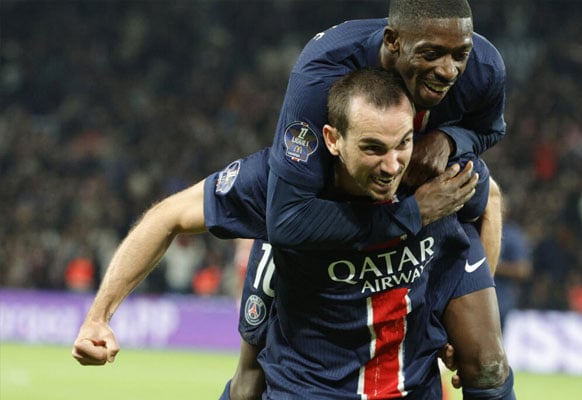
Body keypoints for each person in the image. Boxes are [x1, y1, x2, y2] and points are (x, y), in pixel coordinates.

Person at [70, 68, 481, 392]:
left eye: (403, 144)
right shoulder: (279, 185)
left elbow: (490, 203)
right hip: (303, 381)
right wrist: (97, 316)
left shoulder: (433, 172)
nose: (393, 165)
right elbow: (167, 216)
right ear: (333, 140)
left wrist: (461, 322)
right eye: (373, 148)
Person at [262, 0, 511, 397]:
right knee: (251, 379)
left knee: (489, 367)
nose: (449, 70)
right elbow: (286, 220)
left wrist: (449, 140)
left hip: (437, 224)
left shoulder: (483, 66)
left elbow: (490, 129)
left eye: (458, 55)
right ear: (393, 41)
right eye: (431, 53)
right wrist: (413, 211)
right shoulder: (322, 74)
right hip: (341, 229)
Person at [493, 195, 532, 331]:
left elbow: (523, 270)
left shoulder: (512, 234)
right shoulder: (476, 228)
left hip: (501, 300)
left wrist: (494, 266)